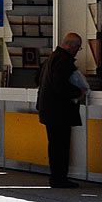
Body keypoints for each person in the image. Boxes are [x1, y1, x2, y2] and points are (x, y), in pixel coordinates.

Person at [36, 33, 87, 188]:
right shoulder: (64, 61)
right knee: (61, 146)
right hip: (59, 111)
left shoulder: (51, 58)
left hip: (49, 110)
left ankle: (57, 177)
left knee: (55, 145)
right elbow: (60, 85)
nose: (78, 51)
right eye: (78, 48)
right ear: (71, 45)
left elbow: (37, 78)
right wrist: (78, 92)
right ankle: (59, 178)